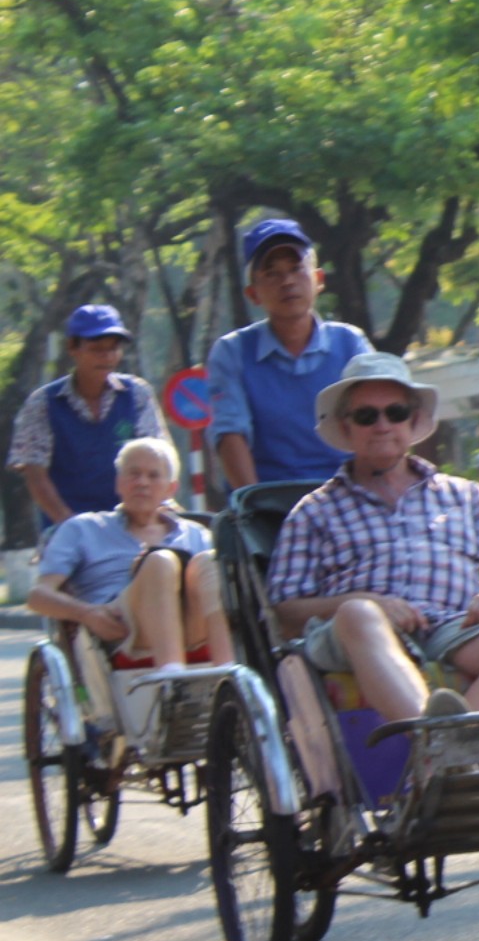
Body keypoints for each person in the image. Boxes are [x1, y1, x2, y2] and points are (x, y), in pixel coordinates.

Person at [267, 352, 479, 722]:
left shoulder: (466, 496)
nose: (382, 425)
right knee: (358, 613)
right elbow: (284, 611)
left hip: (455, 626)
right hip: (356, 635)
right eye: (367, 416)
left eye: (395, 412)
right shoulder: (314, 510)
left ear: (413, 419)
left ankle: (450, 753)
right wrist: (364, 600)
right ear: (347, 426)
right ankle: (435, 743)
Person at [28, 438, 233, 669]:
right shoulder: (83, 529)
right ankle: (172, 676)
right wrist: (87, 614)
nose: (142, 483)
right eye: (133, 474)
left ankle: (227, 672)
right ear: (119, 482)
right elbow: (39, 596)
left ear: (170, 488)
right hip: (121, 628)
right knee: (160, 561)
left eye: (153, 475)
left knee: (209, 561)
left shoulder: (195, 534)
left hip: (192, 626)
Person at [206, 219, 372, 488]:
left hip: (348, 499)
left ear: (318, 279)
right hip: (270, 503)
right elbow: (230, 434)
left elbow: (378, 423)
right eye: (272, 273)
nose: (287, 281)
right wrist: (254, 508)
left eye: (296, 269)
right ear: (253, 294)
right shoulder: (232, 352)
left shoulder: (350, 343)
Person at [9, 305, 166, 527]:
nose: (107, 356)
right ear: (72, 347)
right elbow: (35, 475)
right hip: (66, 529)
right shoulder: (43, 403)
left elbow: (158, 457)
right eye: (97, 348)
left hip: (133, 527)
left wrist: (162, 507)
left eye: (114, 348)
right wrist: (70, 525)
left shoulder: (137, 394)